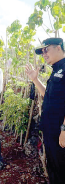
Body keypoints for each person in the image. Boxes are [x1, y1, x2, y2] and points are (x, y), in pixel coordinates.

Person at [25, 38, 65, 184]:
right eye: (42, 52)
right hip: (51, 131)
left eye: (46, 49)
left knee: (61, 170)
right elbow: (48, 95)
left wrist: (64, 129)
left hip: (60, 132)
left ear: (59, 47)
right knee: (53, 168)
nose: (44, 54)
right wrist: (35, 80)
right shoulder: (56, 70)